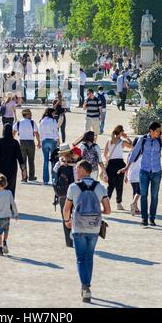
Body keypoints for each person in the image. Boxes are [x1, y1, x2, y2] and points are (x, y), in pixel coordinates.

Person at [63, 160, 111, 303]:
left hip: (78, 226)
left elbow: (66, 209)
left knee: (80, 258)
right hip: (94, 227)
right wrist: (98, 211)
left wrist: (67, 221)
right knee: (89, 257)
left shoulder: (73, 187)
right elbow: (108, 210)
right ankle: (87, 286)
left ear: (83, 170)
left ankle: (85, 287)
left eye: (77, 168)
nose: (75, 170)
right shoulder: (100, 187)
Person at [119, 122, 162, 227]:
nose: (159, 132)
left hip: (156, 172)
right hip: (144, 172)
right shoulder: (142, 140)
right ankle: (144, 219)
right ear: (151, 131)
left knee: (155, 196)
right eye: (157, 131)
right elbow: (133, 154)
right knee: (143, 195)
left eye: (159, 131)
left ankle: (152, 218)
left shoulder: (159, 140)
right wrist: (127, 167)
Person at [53, 144, 81, 248]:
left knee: (65, 217)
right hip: (76, 193)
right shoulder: (78, 163)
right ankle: (76, 238)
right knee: (76, 216)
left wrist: (61, 162)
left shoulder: (59, 163)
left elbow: (54, 175)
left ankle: (68, 242)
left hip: (63, 193)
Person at [0, 124, 26, 198]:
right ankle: (9, 205)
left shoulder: (0, 141)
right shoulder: (15, 142)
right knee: (11, 187)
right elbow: (20, 157)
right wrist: (23, 170)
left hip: (1, 167)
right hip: (12, 168)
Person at [0, 174, 19, 256]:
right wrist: (15, 213)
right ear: (5, 183)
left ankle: (0, 248)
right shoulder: (9, 193)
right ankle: (5, 241)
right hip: (7, 217)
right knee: (6, 231)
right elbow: (13, 204)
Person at [104, 125, 132, 211]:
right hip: (120, 163)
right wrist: (127, 138)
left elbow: (105, 154)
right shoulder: (122, 142)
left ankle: (106, 203)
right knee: (119, 185)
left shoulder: (109, 141)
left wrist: (109, 160)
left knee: (110, 185)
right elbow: (132, 146)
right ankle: (119, 204)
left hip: (111, 164)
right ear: (120, 132)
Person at [13, 108, 40, 182]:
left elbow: (13, 133)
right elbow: (36, 133)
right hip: (30, 142)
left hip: (21, 142)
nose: (31, 115)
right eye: (30, 114)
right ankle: (31, 177)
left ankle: (24, 177)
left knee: (23, 161)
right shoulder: (32, 122)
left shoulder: (18, 123)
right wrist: (39, 142)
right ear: (27, 114)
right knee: (31, 160)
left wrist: (12, 142)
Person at [39, 108, 59, 185]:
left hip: (44, 141)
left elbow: (41, 132)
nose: (54, 115)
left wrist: (40, 141)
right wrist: (58, 141)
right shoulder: (53, 121)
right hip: (52, 141)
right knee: (54, 161)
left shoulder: (42, 121)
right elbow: (56, 132)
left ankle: (45, 180)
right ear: (50, 113)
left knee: (46, 161)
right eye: (53, 113)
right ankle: (54, 179)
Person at [125, 137, 142, 216]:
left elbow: (126, 165)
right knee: (139, 191)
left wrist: (126, 176)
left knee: (135, 191)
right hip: (138, 175)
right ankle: (133, 204)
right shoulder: (141, 153)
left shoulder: (130, 153)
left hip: (130, 174)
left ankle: (135, 208)